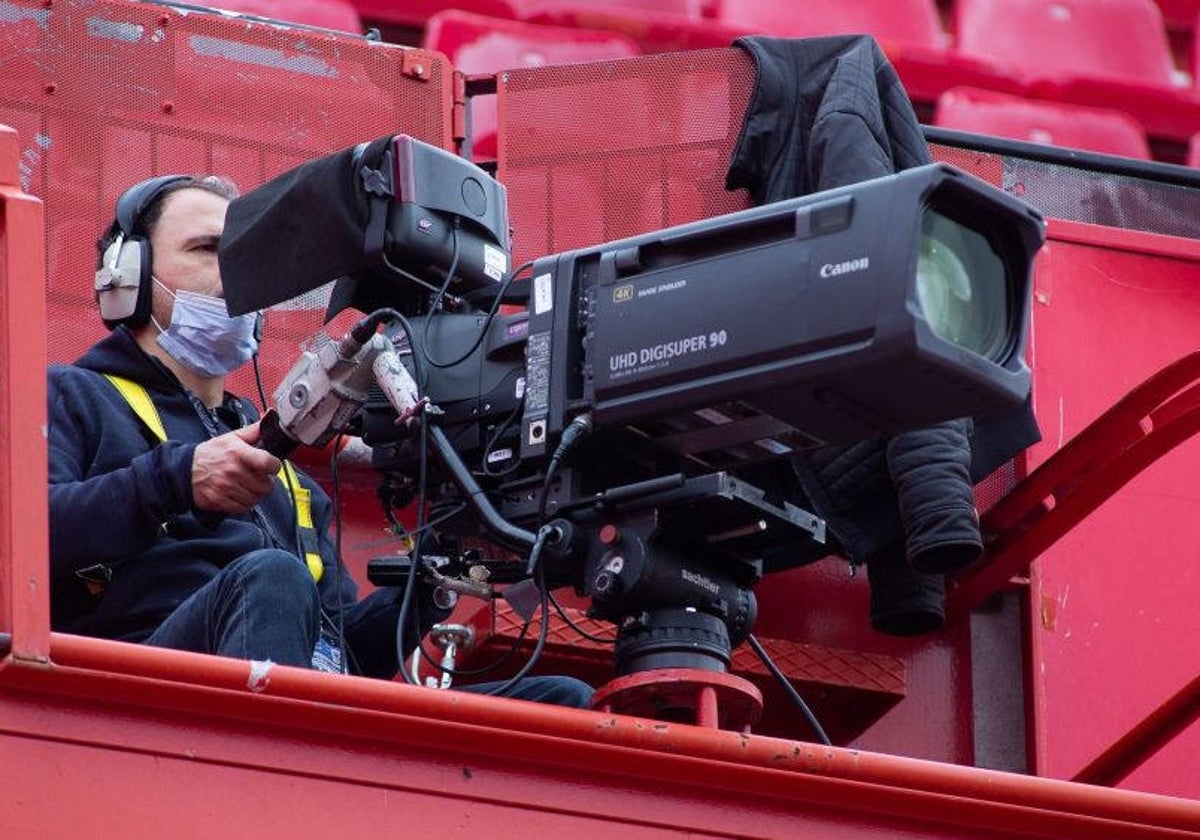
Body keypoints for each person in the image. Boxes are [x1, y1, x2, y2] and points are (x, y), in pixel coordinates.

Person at [46, 173, 593, 708]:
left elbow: (342, 651)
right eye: (208, 248)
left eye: (242, 254)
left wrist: (435, 580)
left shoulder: (293, 481)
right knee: (274, 576)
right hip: (141, 697)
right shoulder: (71, 396)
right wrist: (175, 480)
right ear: (127, 276)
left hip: (297, 698)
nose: (234, 272)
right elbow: (24, 538)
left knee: (563, 699)